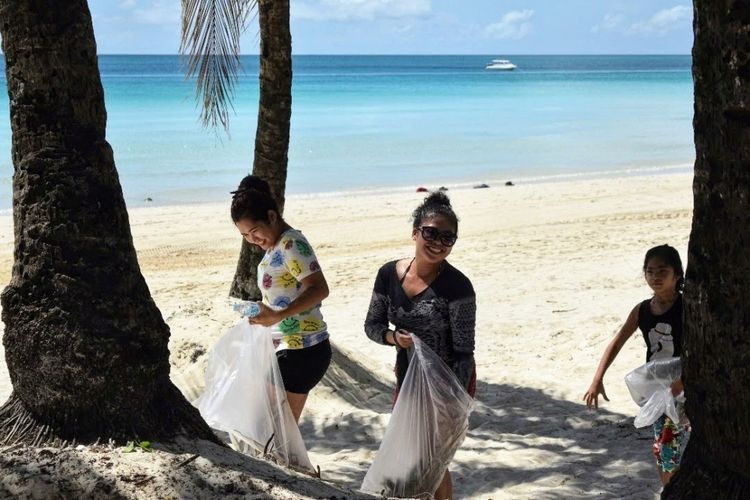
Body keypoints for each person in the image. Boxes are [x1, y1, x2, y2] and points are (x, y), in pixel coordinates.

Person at [364, 191, 476, 500]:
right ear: (415, 232)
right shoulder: (388, 275)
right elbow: (372, 326)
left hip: (448, 386)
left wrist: (451, 404)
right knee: (424, 458)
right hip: (408, 382)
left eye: (448, 237)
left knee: (433, 459)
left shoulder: (459, 287)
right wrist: (393, 339)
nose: (438, 241)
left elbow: (465, 351)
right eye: (430, 232)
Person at [583, 244, 689, 486]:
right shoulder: (642, 310)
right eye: (650, 271)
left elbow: (702, 348)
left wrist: (682, 381)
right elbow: (616, 343)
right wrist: (597, 379)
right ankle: (668, 490)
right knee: (664, 447)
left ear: (677, 274)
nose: (655, 277)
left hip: (684, 387)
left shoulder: (687, 307)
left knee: (676, 444)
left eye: (662, 271)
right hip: (657, 390)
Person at [231, 175, 331, 424]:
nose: (252, 240)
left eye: (254, 231)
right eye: (245, 235)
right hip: (291, 347)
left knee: (273, 429)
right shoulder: (276, 247)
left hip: (304, 349)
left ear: (272, 216)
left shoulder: (291, 244)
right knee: (276, 431)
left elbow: (319, 289)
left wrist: (277, 315)